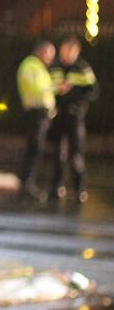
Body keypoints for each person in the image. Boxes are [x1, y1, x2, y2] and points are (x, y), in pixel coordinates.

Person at [48, 36, 98, 204]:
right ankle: (56, 188)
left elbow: (92, 91)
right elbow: (46, 88)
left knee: (76, 155)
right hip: (58, 116)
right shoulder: (53, 67)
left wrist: (72, 93)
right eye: (65, 50)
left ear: (77, 52)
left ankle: (79, 190)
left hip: (75, 117)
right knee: (57, 154)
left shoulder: (82, 68)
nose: (68, 54)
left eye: (71, 51)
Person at [16, 40, 57, 202]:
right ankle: (27, 184)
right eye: (49, 54)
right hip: (36, 113)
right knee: (34, 149)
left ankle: (28, 183)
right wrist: (55, 87)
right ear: (41, 51)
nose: (51, 58)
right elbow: (36, 89)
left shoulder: (38, 67)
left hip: (40, 113)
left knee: (35, 149)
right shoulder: (31, 65)